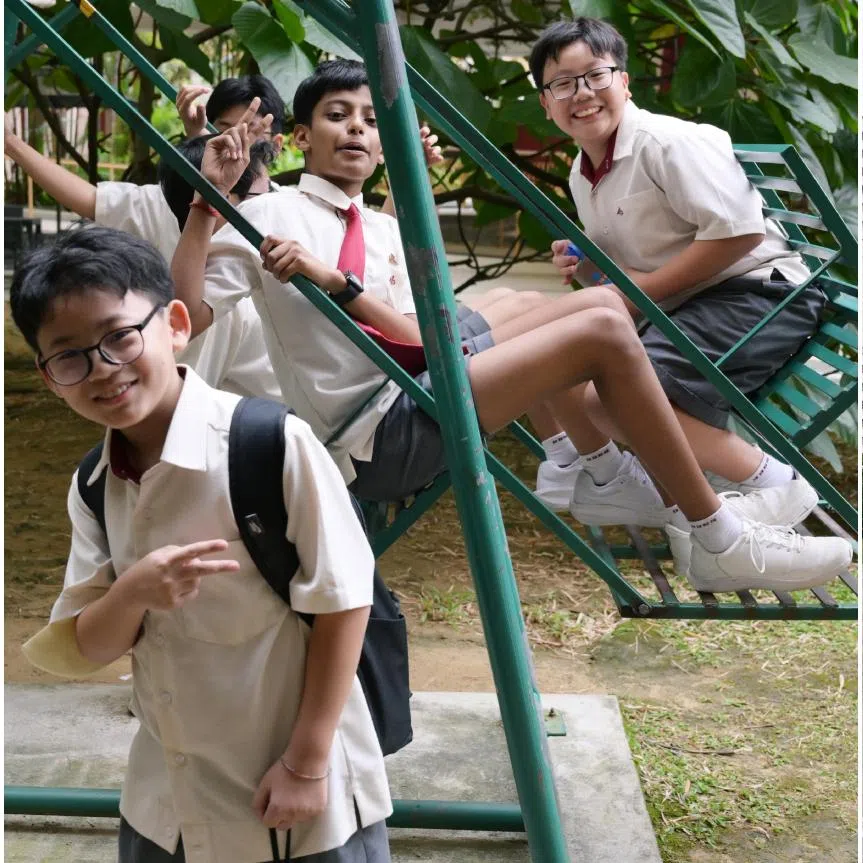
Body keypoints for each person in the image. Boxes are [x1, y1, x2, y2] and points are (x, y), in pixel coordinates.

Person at [169, 59, 851, 594]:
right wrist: (206, 209)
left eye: (372, 120)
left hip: (417, 385)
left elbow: (413, 321)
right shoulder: (272, 217)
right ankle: (717, 535)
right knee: (600, 333)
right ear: (298, 138)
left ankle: (599, 470)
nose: (355, 129)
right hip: (376, 434)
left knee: (599, 308)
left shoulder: (375, 223)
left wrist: (402, 205)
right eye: (337, 116)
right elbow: (186, 318)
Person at [15, 226, 392, 863]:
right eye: (70, 357)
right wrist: (135, 590)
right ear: (50, 377)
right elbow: (86, 643)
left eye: (119, 336)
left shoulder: (269, 445)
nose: (103, 370)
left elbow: (345, 600)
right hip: (167, 806)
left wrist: (305, 763)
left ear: (176, 324)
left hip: (293, 797)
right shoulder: (95, 483)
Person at [529, 18, 824, 532]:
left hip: (762, 295)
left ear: (623, 81)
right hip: (698, 303)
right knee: (556, 347)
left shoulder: (668, 142)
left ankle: (775, 486)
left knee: (613, 394)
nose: (582, 94)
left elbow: (740, 234)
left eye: (595, 76)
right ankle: (606, 477)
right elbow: (639, 274)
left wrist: (640, 294)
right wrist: (593, 266)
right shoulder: (584, 170)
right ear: (545, 103)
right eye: (562, 84)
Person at [3, 85, 283, 402]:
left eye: (251, 131)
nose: (237, 142)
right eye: (225, 130)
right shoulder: (167, 201)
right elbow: (91, 199)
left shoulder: (279, 209)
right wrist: (11, 143)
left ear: (277, 143)